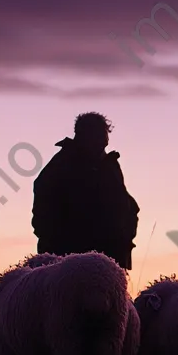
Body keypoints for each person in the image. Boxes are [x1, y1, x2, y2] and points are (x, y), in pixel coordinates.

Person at [32, 112, 139, 269]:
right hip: (68, 260)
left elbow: (129, 207)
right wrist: (56, 248)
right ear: (83, 136)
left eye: (104, 138)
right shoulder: (62, 164)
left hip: (110, 259)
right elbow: (43, 211)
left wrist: (124, 240)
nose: (103, 143)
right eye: (98, 137)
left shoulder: (110, 166)